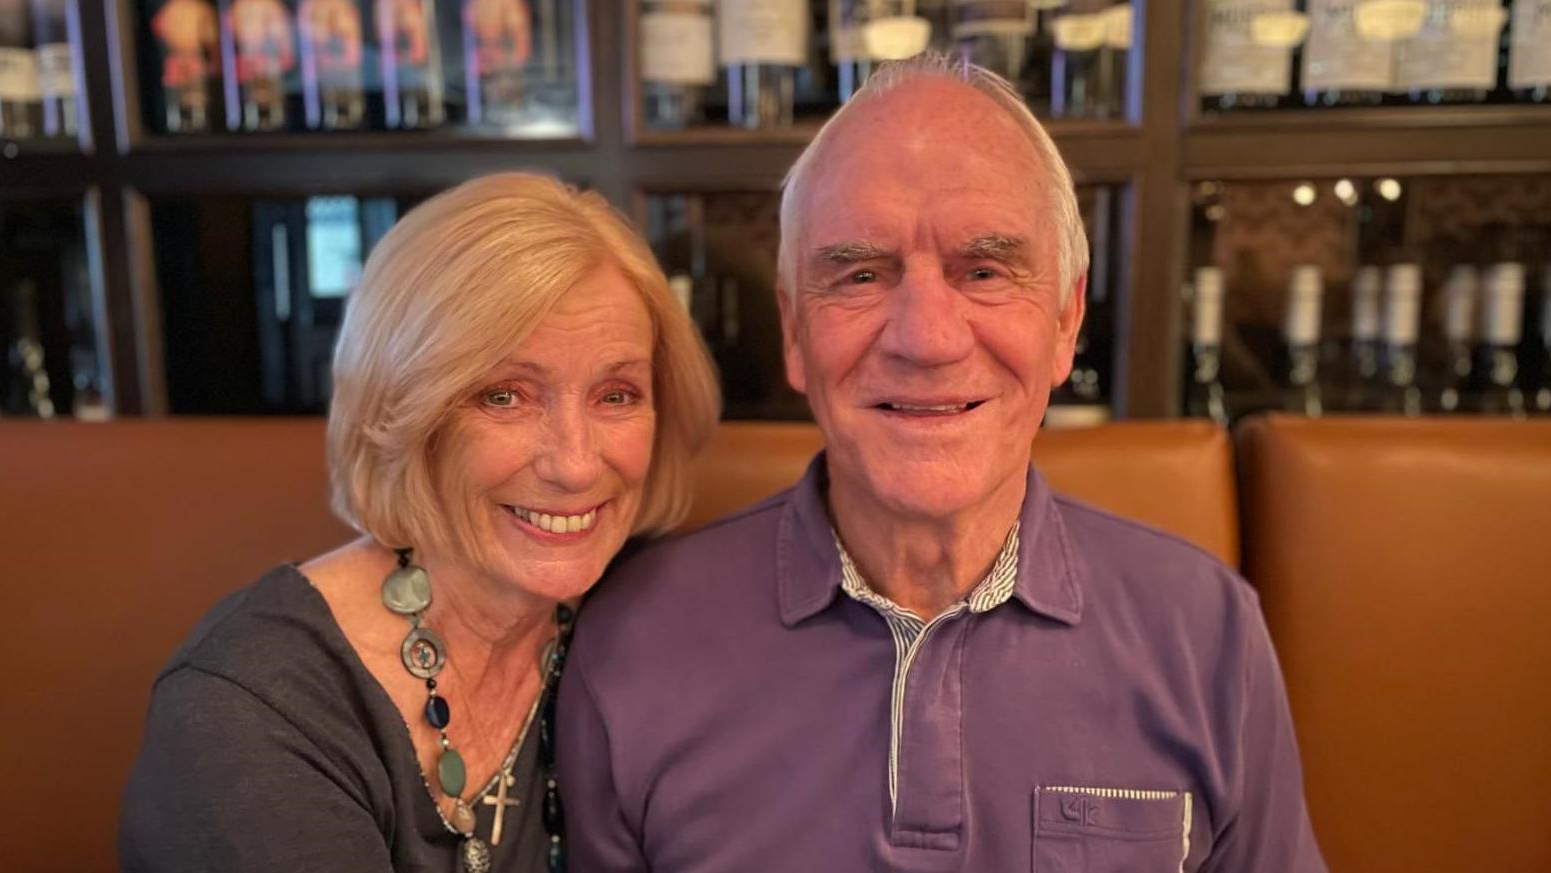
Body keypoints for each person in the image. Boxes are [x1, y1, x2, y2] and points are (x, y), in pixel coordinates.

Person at [557, 55, 1327, 871]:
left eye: (984, 271)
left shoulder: (1208, 635)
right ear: (792, 331)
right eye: (859, 274)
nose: (926, 337)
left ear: (1066, 320)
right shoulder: (633, 643)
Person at [120, 173, 720, 872]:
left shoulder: (654, 611)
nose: (577, 465)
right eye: (505, 395)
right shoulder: (247, 716)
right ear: (401, 413)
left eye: (617, 394)